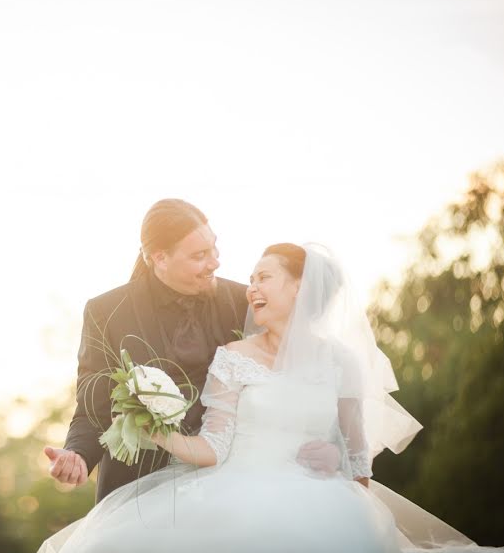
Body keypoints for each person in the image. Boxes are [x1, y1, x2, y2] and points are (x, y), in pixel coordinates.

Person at [35, 243, 504, 553]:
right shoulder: (233, 358)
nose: (250, 287)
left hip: (318, 502)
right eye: (251, 277)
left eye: (264, 278)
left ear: (299, 288)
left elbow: (359, 458)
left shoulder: (340, 360)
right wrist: (155, 427)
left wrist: (342, 473)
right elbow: (212, 448)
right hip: (228, 495)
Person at [44, 201, 336, 503]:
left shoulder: (246, 303)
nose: (214, 263)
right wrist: (77, 453)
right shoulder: (106, 312)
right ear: (160, 258)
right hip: (138, 490)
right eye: (199, 256)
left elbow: (291, 381)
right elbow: (94, 400)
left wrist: (327, 445)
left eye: (214, 249)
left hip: (233, 490)